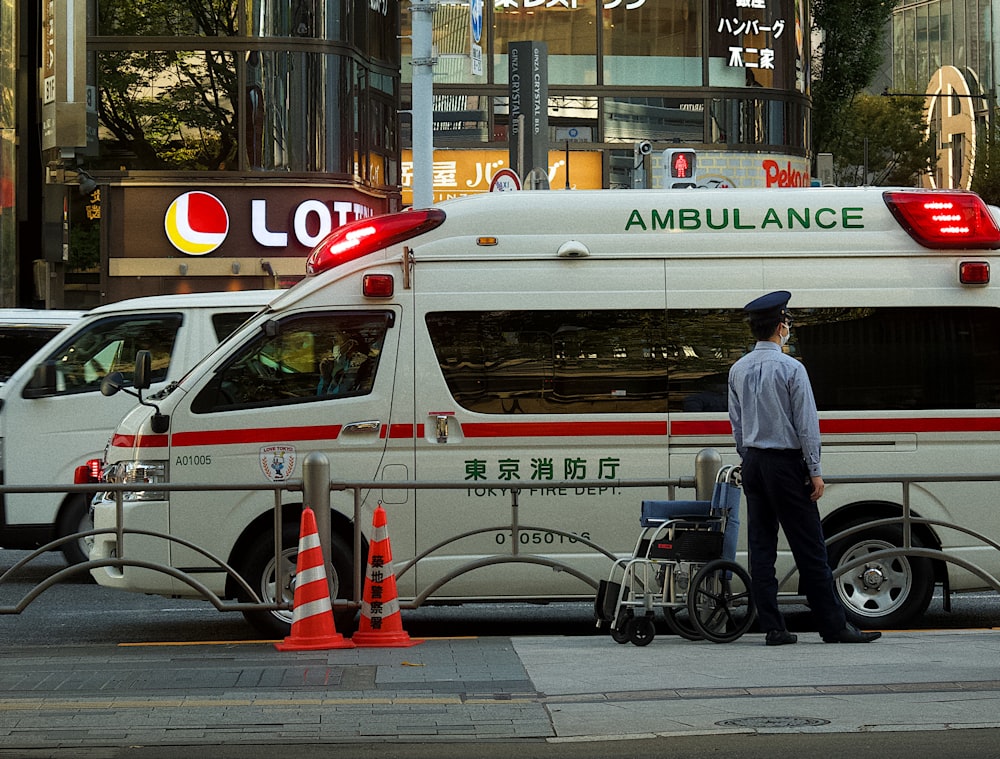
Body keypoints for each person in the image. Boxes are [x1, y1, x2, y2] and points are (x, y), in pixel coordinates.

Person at [727, 291, 881, 646]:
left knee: (761, 546)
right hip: (785, 465)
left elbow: (736, 422)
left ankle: (773, 627)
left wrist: (748, 455)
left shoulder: (738, 369)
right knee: (810, 547)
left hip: (752, 463)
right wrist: (814, 469)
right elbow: (806, 425)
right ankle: (833, 625)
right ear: (781, 326)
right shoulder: (791, 368)